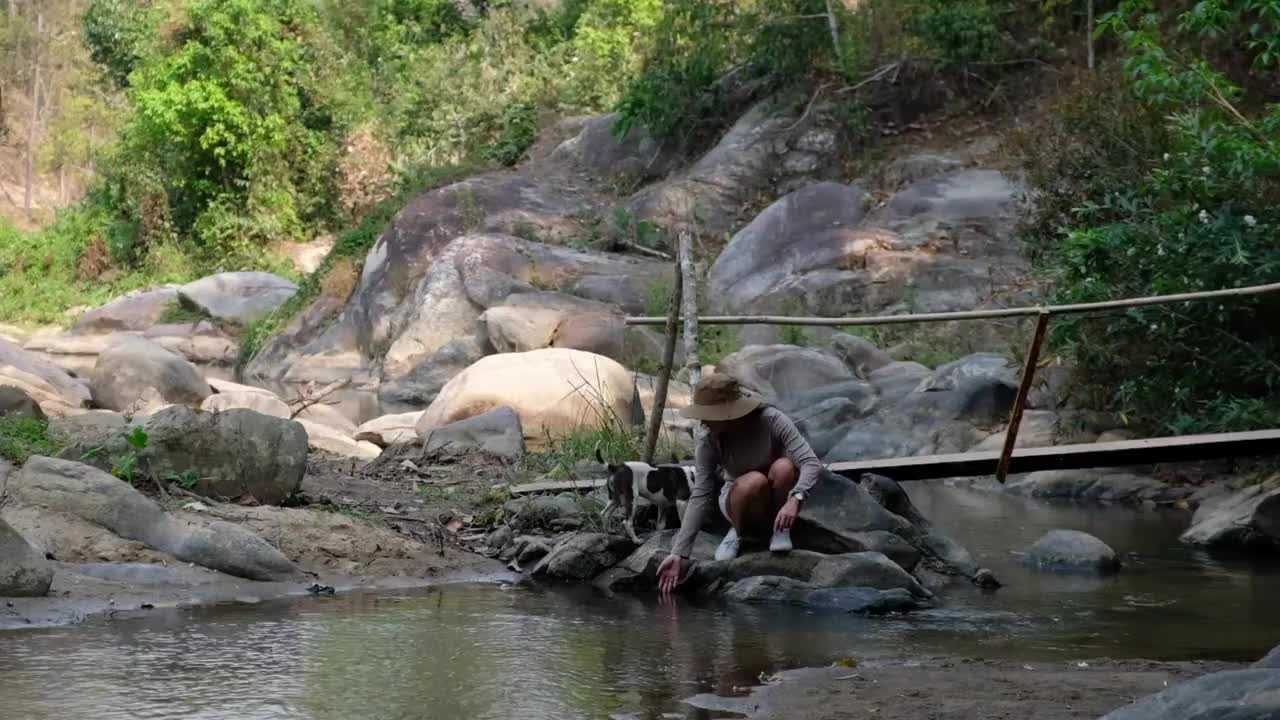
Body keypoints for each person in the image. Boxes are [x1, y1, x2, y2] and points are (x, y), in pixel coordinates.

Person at [657, 373, 824, 594]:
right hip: (738, 497)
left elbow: (811, 462)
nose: (702, 421)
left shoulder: (771, 419)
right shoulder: (709, 442)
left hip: (778, 497)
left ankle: (780, 529)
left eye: (708, 415)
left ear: (729, 413)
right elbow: (700, 495)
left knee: (784, 467)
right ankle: (738, 532)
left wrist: (796, 497)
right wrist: (680, 553)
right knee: (754, 481)